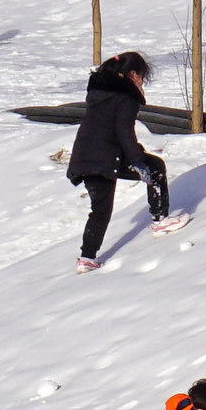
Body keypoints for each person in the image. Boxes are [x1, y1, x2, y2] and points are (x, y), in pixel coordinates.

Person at [66, 51, 179, 273]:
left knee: (100, 210)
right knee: (155, 168)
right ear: (133, 74)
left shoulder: (100, 93)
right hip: (105, 157)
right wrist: (137, 160)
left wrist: (135, 154)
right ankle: (160, 220)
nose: (142, 82)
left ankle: (87, 258)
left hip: (85, 157)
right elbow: (124, 131)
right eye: (142, 77)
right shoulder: (125, 97)